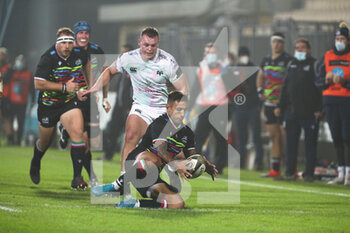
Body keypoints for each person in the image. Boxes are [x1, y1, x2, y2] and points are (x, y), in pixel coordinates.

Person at [83, 27, 189, 176]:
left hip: (162, 111)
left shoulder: (168, 61)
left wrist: (178, 111)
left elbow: (183, 88)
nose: (149, 49)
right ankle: (123, 184)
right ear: (139, 42)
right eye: (146, 45)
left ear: (157, 44)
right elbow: (110, 71)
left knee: (175, 155)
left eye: (153, 45)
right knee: (130, 136)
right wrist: (95, 87)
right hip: (141, 107)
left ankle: (165, 181)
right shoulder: (128, 58)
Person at [92, 91, 218, 209]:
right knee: (155, 159)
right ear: (168, 108)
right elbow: (161, 150)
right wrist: (176, 165)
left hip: (150, 178)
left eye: (184, 110)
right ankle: (117, 185)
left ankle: (133, 203)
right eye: (178, 109)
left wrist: (205, 165)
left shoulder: (187, 133)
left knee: (178, 204)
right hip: (137, 164)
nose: (182, 113)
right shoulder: (160, 124)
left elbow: (192, 156)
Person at [29, 27, 91, 189]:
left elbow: (87, 64)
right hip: (49, 105)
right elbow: (38, 83)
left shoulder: (79, 54)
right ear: (57, 43)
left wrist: (86, 87)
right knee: (45, 141)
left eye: (70, 42)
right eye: (63, 42)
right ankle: (36, 161)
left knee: (78, 134)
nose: (67, 46)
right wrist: (65, 87)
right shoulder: (47, 58)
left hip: (69, 102)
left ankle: (77, 178)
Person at [58, 21, 106, 186]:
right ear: (75, 35)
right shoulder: (69, 51)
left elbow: (104, 72)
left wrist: (103, 95)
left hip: (91, 97)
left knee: (93, 141)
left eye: (86, 33)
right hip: (74, 97)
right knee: (81, 138)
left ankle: (64, 129)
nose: (84, 36)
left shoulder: (97, 51)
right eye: (80, 33)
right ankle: (82, 177)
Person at [275, 39, 322, 182]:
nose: (299, 50)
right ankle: (290, 172)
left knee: (310, 144)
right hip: (292, 111)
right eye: (297, 48)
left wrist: (320, 109)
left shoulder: (315, 65)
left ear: (309, 50)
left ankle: (309, 174)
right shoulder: (291, 64)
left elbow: (320, 88)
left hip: (309, 112)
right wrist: (279, 105)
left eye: (302, 48)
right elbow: (285, 87)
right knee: (290, 144)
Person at [316, 22, 350, 186]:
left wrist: (345, 82)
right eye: (337, 38)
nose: (339, 41)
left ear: (348, 41)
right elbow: (318, 80)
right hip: (329, 100)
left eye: (342, 38)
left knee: (347, 136)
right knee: (336, 137)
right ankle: (340, 173)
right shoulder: (327, 55)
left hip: (346, 100)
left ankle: (348, 173)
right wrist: (326, 80)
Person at [256, 32, 292, 178]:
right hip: (269, 103)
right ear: (271, 43)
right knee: (273, 135)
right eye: (274, 42)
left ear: (283, 44)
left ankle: (290, 168)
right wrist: (260, 91)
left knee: (286, 135)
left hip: (284, 104)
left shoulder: (289, 60)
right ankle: (275, 169)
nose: (276, 44)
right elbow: (260, 76)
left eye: (279, 42)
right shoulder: (265, 60)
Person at [193, 42, 228, 174]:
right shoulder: (201, 67)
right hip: (204, 105)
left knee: (220, 138)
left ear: (217, 54)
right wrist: (190, 106)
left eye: (212, 52)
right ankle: (195, 163)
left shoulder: (224, 67)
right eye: (207, 52)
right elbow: (197, 87)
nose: (209, 55)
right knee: (198, 136)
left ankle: (219, 165)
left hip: (220, 106)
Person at [229, 46, 263, 170]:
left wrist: (259, 106)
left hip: (253, 107)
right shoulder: (234, 70)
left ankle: (258, 161)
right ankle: (241, 162)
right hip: (239, 109)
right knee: (241, 137)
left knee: (256, 136)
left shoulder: (255, 69)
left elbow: (258, 86)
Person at [100, 44, 134, 160]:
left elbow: (134, 91)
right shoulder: (122, 69)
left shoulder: (135, 70)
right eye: (122, 53)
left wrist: (130, 106)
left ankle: (131, 158)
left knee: (132, 134)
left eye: (126, 53)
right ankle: (108, 154)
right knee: (112, 130)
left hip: (129, 107)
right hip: (118, 106)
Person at [7, 54, 35, 145]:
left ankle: (18, 140)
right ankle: (10, 139)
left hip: (22, 102)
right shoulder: (11, 72)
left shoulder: (28, 74)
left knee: (21, 122)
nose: (20, 62)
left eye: (21, 61)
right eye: (18, 60)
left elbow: (32, 88)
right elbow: (5, 80)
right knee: (9, 120)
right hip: (11, 101)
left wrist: (33, 101)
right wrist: (11, 69)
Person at [0, 47, 14, 145]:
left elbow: (4, 78)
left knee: (7, 118)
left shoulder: (9, 67)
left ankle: (10, 138)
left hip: (5, 97)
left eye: (3, 55)